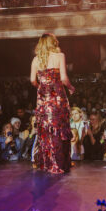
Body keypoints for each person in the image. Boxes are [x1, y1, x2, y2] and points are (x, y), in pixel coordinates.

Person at [30, 33, 75, 174]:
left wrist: (42, 87)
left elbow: (32, 80)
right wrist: (71, 88)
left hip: (43, 99)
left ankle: (48, 163)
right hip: (57, 98)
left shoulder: (36, 60)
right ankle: (61, 163)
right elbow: (63, 78)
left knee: (46, 130)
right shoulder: (59, 56)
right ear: (52, 43)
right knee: (59, 128)